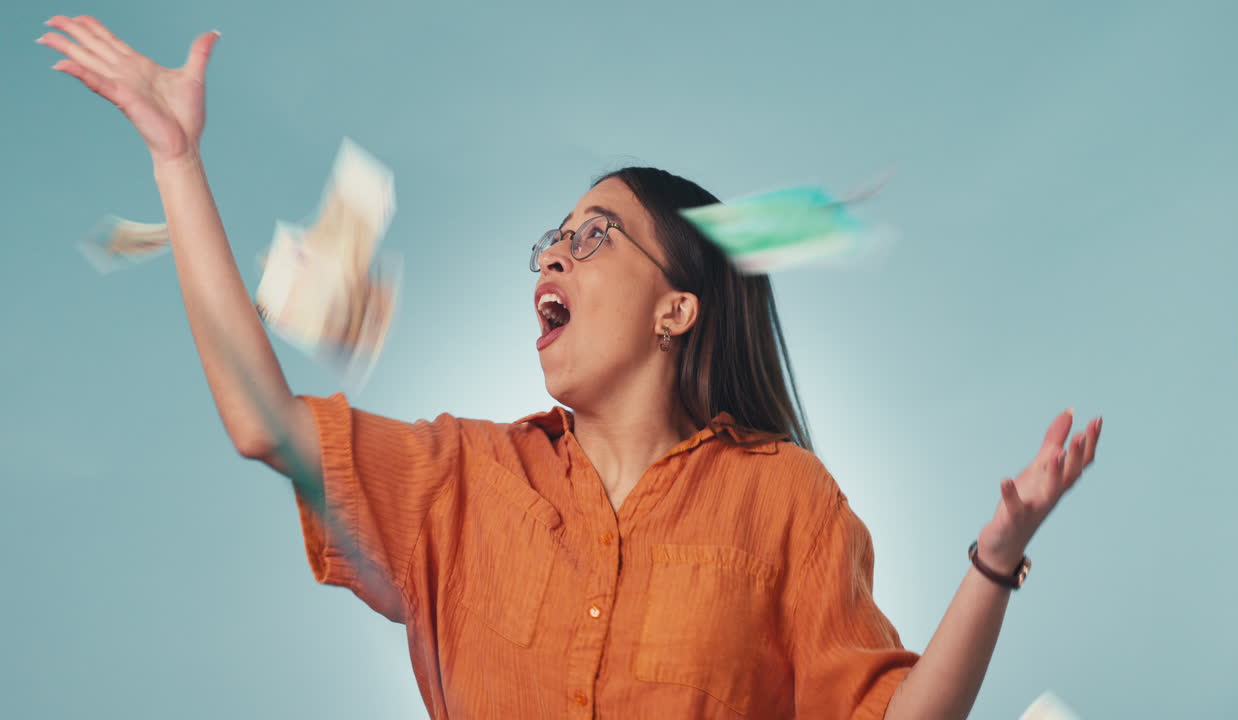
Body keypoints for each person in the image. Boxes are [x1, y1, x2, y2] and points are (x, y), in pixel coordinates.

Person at [39, 15, 1103, 720]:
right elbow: (262, 421)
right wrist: (175, 158)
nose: (551, 253)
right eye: (549, 240)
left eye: (591, 237)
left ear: (675, 309)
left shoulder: (785, 503)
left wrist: (992, 558)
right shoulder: (459, 484)